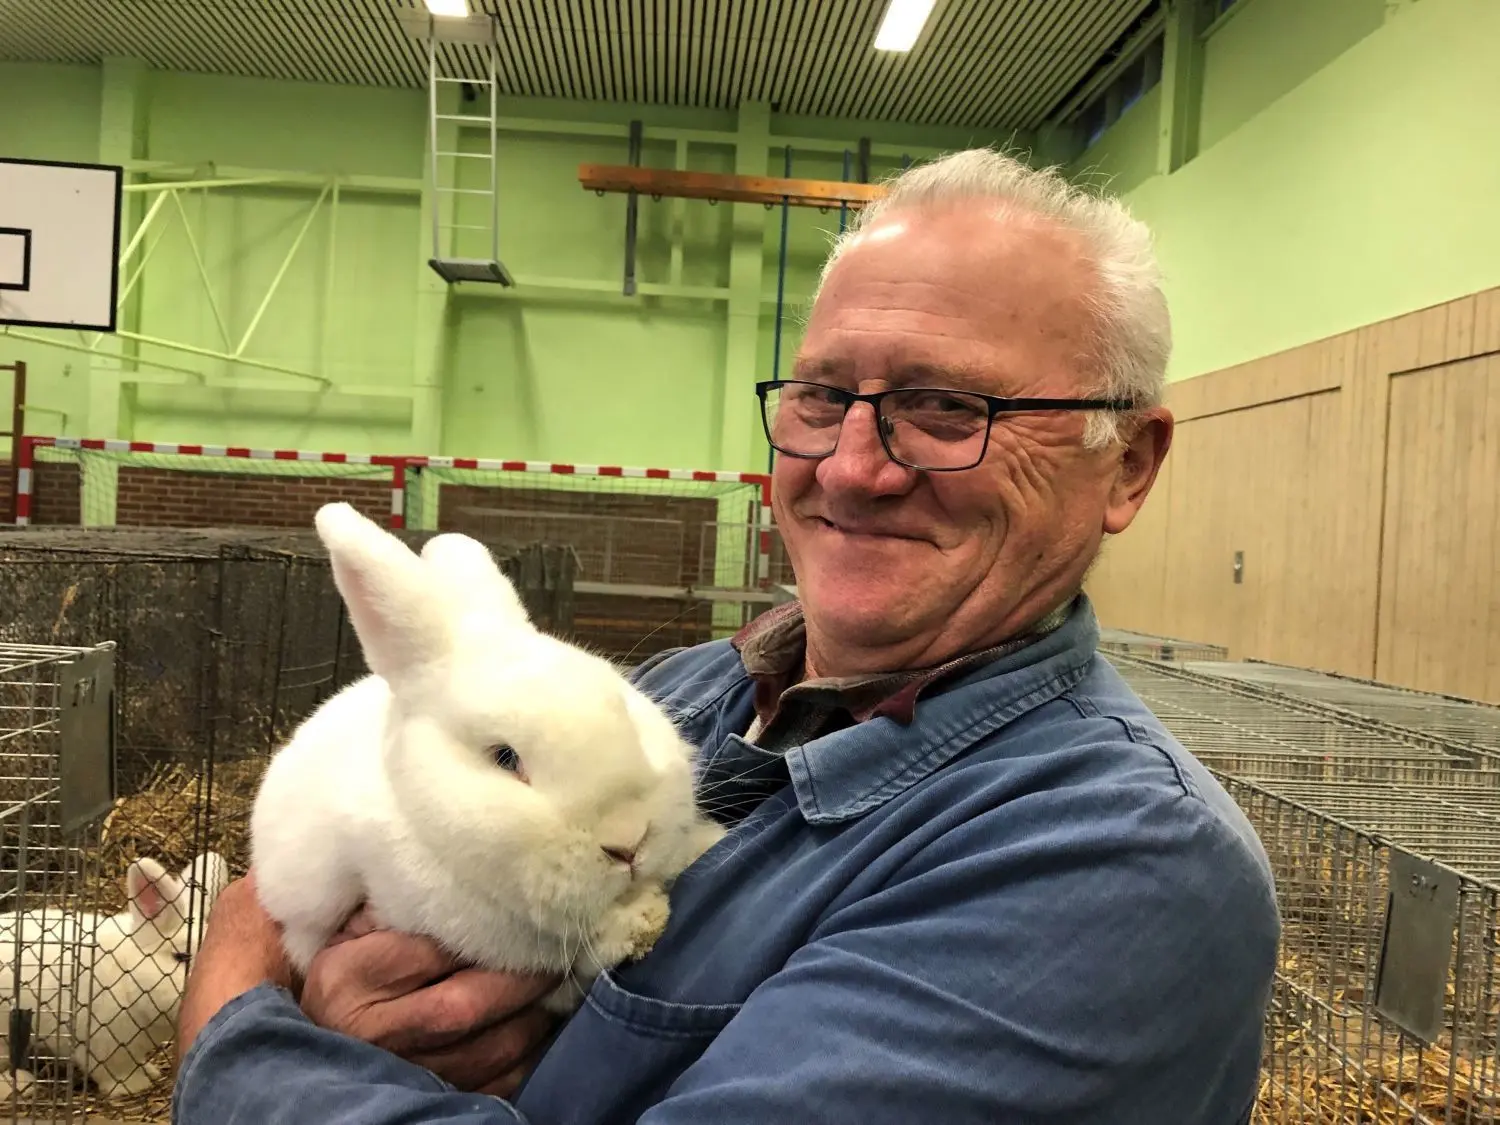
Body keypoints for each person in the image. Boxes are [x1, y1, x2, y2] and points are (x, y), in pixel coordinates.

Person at [173, 147, 1280, 1124]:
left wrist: (240, 1009)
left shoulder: (1116, 865)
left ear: (1126, 463)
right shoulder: (675, 698)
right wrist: (347, 1005)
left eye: (949, 408)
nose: (851, 466)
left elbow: (263, 958)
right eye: (819, 395)